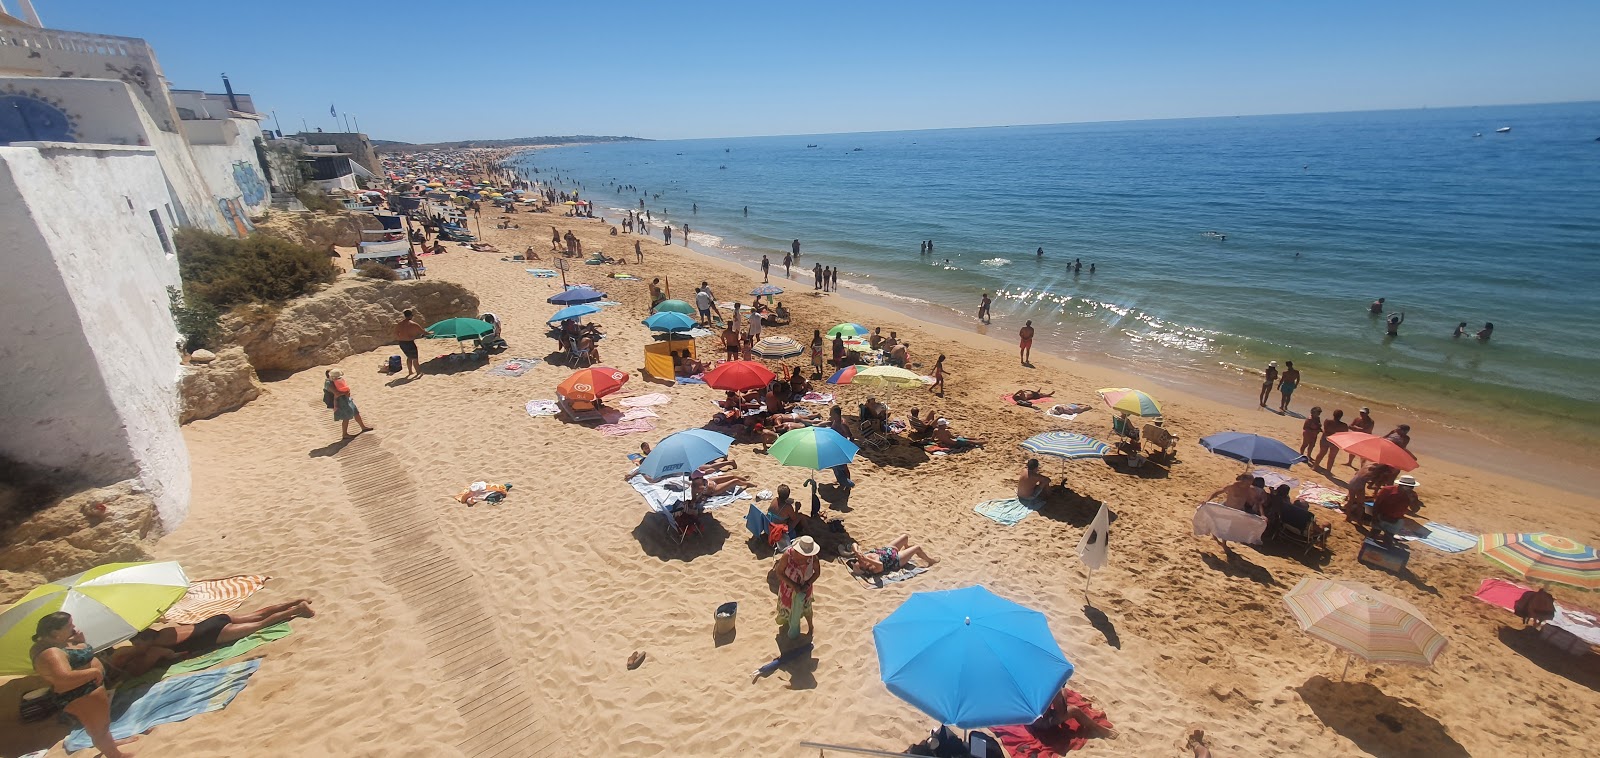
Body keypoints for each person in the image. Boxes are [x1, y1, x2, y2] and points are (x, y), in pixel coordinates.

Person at [29, 613, 137, 758]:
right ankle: (115, 755)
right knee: (98, 728)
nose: (73, 627)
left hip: (87, 690)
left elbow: (76, 656)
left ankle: (110, 744)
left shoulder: (58, 643)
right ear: (55, 632)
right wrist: (93, 672)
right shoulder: (50, 653)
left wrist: (81, 642)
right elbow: (63, 677)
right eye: (69, 625)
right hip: (80, 694)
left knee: (102, 724)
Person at [116, 601, 315, 676]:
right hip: (211, 622)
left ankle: (298, 610)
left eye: (136, 642)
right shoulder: (164, 631)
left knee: (259, 625)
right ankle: (296, 600)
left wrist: (135, 658)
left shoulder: (155, 649)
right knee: (257, 614)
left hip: (213, 635)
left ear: (144, 641)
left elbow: (141, 670)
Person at [775, 536, 821, 636]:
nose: (808, 556)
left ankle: (810, 626)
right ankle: (789, 623)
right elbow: (779, 572)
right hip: (788, 588)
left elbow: (817, 573)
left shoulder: (813, 558)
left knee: (807, 608)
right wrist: (794, 585)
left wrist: (808, 584)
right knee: (787, 607)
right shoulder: (788, 555)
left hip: (805, 588)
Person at [849, 535, 940, 575]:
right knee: (917, 548)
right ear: (864, 568)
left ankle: (907, 547)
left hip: (887, 549)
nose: (859, 561)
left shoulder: (861, 560)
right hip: (896, 559)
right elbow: (880, 565)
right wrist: (867, 559)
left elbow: (854, 544)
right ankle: (930, 561)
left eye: (857, 561)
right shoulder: (873, 568)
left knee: (905, 536)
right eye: (859, 563)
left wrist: (857, 552)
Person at [1371, 475, 1421, 542]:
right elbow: (1377, 504)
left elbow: (1415, 509)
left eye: (1412, 487)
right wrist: (1375, 517)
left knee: (1388, 539)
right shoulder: (1387, 490)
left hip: (1396, 520)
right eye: (1408, 487)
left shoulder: (1413, 495)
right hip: (1381, 517)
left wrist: (1412, 500)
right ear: (1400, 485)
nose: (1410, 489)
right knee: (1373, 535)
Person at [324, 369, 373, 438]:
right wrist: (346, 392)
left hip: (345, 399)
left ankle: (363, 427)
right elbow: (336, 394)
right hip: (340, 402)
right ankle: (345, 434)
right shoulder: (328, 383)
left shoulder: (336, 380)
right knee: (346, 417)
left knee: (356, 412)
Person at [395, 309, 430, 378]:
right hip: (409, 343)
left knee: (409, 357)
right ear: (411, 315)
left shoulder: (399, 324)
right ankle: (418, 372)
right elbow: (423, 332)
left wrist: (401, 337)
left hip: (401, 343)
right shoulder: (413, 324)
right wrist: (430, 333)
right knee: (415, 358)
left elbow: (396, 333)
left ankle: (410, 371)